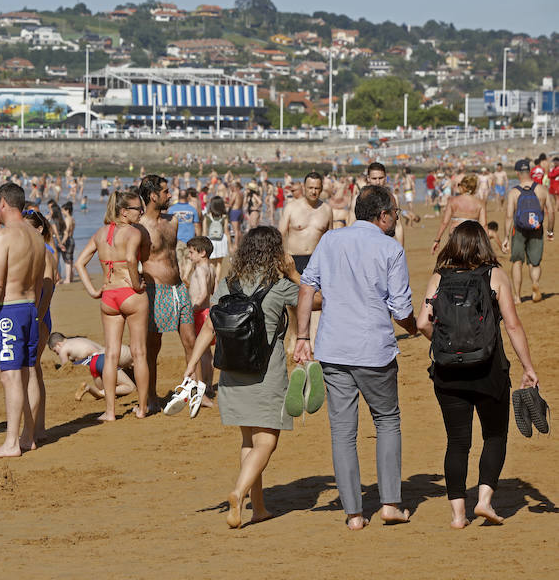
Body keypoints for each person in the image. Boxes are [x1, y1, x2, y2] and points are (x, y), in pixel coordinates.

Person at [295, 184, 418, 530]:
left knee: (343, 433)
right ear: (382, 216)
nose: (396, 217)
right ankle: (390, 503)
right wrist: (416, 327)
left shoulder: (331, 241)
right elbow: (401, 308)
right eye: (394, 212)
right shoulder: (391, 248)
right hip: (374, 351)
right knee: (387, 421)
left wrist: (302, 336)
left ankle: (353, 514)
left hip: (333, 349)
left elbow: (307, 286)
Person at [184, 226, 314, 529]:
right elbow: (317, 300)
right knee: (267, 441)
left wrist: (191, 364)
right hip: (266, 371)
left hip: (231, 370)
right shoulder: (280, 285)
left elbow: (209, 327)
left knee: (248, 440)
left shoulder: (229, 283)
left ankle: (258, 508)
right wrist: (295, 273)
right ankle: (238, 493)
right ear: (275, 253)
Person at [416, 221, 541, 528]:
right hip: (489, 369)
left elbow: (422, 323)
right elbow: (511, 325)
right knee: (495, 435)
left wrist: (446, 345)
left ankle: (459, 516)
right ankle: (484, 501)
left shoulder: (439, 277)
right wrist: (528, 366)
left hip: (448, 373)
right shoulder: (494, 275)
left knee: (457, 441)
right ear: (483, 244)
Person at [0, 182, 46, 458]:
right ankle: (28, 436)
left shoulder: (3, 237)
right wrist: (35, 312)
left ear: (2, 203)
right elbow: (38, 284)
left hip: (9, 311)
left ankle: (12, 442)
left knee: (10, 377)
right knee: (25, 374)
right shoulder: (37, 238)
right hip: (29, 308)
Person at [75, 190, 150, 419]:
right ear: (124, 212)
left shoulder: (100, 233)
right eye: (138, 209)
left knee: (111, 354)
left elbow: (80, 263)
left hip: (109, 295)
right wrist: (137, 284)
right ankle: (142, 408)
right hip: (130, 294)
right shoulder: (132, 232)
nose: (142, 213)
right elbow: (129, 259)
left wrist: (92, 290)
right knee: (139, 352)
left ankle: (109, 411)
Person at [139, 175, 196, 411]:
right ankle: (151, 397)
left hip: (179, 287)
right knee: (153, 346)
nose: (170, 195)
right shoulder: (140, 227)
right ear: (153, 196)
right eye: (165, 192)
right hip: (155, 290)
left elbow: (174, 254)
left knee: (192, 341)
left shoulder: (172, 221)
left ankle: (196, 391)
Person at [22, 208, 58, 442]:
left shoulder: (44, 252)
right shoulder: (39, 250)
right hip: (37, 315)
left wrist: (37, 317)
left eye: (26, 228)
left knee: (30, 372)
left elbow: (48, 290)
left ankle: (31, 431)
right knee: (34, 371)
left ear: (39, 228)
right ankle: (39, 427)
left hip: (39, 316)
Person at [502, 159, 555, 304]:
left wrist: (506, 237)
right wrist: (550, 231)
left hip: (519, 229)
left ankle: (517, 297)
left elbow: (508, 216)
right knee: (535, 262)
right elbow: (551, 211)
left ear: (517, 173)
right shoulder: (542, 189)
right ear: (530, 172)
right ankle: (535, 284)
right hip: (537, 228)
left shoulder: (514, 192)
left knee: (517, 261)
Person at [47, 332, 136, 401]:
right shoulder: (78, 340)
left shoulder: (63, 348)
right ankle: (97, 391)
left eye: (55, 351)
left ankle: (89, 388)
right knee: (130, 388)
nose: (58, 354)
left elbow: (65, 365)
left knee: (105, 390)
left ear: (58, 344)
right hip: (103, 359)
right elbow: (66, 368)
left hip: (94, 363)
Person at [186, 236, 216, 400]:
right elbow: (215, 291)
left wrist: (193, 308)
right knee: (208, 353)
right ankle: (209, 384)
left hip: (199, 313)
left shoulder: (200, 270)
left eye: (191, 253)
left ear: (202, 252)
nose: (189, 256)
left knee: (202, 352)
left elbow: (204, 293)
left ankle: (203, 384)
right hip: (208, 312)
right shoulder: (211, 269)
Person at [432, 175, 487, 254]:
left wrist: (437, 240)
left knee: (454, 259)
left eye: (459, 185)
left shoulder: (453, 200)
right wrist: (486, 244)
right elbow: (484, 225)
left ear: (464, 187)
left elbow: (444, 222)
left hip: (455, 232)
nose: (458, 187)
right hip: (472, 234)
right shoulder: (480, 203)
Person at [168, 189, 201, 281]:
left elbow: (168, 226)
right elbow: (197, 225)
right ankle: (185, 276)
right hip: (190, 238)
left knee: (179, 260)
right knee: (189, 259)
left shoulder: (171, 209)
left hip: (177, 238)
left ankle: (181, 275)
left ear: (178, 197)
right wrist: (199, 238)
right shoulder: (192, 209)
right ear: (187, 197)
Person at [203, 196, 230, 281]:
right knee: (219, 263)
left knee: (211, 263)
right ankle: (217, 282)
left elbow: (204, 232)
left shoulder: (207, 216)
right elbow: (226, 232)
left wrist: (203, 244)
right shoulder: (224, 217)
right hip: (221, 241)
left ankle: (211, 280)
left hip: (211, 241)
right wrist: (230, 245)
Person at [58, 201, 76, 284]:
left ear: (67, 210)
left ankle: (68, 279)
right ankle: (71, 277)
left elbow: (66, 232)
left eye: (63, 210)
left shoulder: (67, 220)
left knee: (67, 260)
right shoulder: (72, 219)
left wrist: (62, 242)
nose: (62, 212)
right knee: (71, 259)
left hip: (68, 240)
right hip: (72, 239)